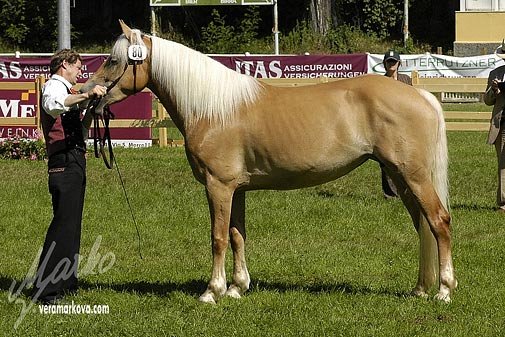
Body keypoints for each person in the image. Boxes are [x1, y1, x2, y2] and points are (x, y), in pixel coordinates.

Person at [32, 49, 107, 303]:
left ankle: (65, 281)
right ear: (64, 64)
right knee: (63, 223)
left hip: (74, 159)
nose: (80, 72)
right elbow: (53, 106)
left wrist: (91, 111)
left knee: (72, 224)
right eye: (77, 67)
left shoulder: (69, 92)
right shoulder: (55, 86)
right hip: (63, 161)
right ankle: (46, 288)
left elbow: (79, 128)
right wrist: (85, 95)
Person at [379, 50, 413, 199]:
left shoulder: (406, 80)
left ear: (399, 64)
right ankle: (390, 193)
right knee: (386, 159)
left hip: (404, 122)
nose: (391, 64)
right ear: (384, 64)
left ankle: (406, 189)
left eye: (394, 61)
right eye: (389, 62)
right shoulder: (379, 82)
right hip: (385, 123)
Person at [484, 41, 505, 213]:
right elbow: (487, 101)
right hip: (502, 124)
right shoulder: (494, 74)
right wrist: (494, 91)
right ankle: (504, 203)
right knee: (503, 164)